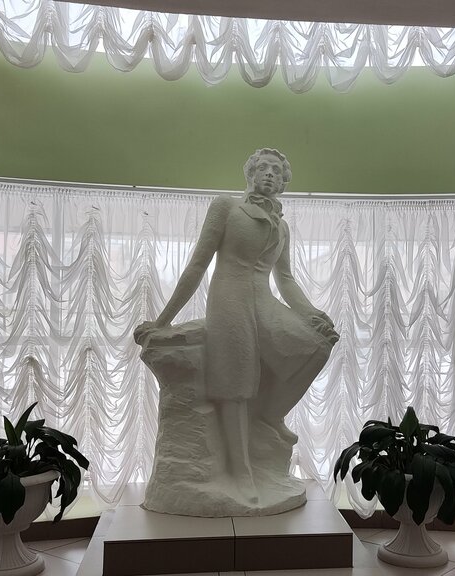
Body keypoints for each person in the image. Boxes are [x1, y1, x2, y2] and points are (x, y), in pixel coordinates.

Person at [134, 148, 338, 503]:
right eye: (263, 167)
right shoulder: (226, 207)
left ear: (283, 182)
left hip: (263, 300)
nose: (270, 174)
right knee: (236, 382)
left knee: (317, 346)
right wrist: (161, 321)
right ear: (250, 173)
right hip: (229, 298)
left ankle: (269, 415)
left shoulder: (282, 226)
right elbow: (197, 265)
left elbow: (285, 278)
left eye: (277, 171)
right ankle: (241, 471)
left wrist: (311, 313)